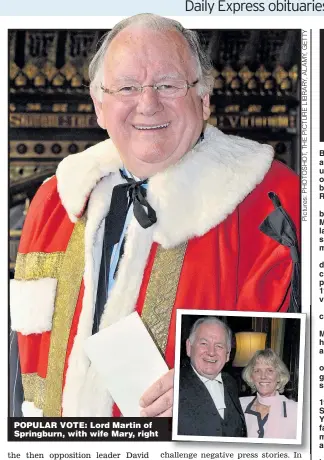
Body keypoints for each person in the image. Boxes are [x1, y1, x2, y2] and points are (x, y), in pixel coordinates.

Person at [10, 14, 300, 418]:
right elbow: (20, 366)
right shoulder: (55, 202)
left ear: (203, 98)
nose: (147, 103)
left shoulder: (276, 204)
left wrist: (209, 396)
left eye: (168, 84)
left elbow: (297, 366)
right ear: (99, 105)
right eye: (127, 87)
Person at [177, 317, 246, 437]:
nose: (211, 352)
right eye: (204, 343)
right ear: (189, 347)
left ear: (228, 354)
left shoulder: (230, 383)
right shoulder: (174, 384)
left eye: (219, 346)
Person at [240, 349, 298, 439]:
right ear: (251, 377)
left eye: (270, 370)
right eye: (257, 371)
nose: (263, 376)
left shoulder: (296, 411)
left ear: (279, 376)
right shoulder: (239, 406)